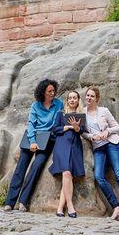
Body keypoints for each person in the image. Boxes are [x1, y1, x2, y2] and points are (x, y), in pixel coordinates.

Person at [3, 78, 62, 212]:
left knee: (36, 167)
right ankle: (10, 202)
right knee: (20, 169)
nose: (52, 93)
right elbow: (31, 124)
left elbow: (57, 122)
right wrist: (33, 141)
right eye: (49, 91)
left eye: (53, 90)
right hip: (33, 138)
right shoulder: (36, 105)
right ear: (43, 92)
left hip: (48, 140)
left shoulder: (58, 104)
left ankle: (23, 201)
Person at [83, 86, 119, 222]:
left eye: (92, 96)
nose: (89, 98)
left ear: (97, 99)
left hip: (112, 144)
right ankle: (116, 207)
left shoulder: (104, 111)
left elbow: (117, 126)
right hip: (98, 147)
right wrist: (91, 136)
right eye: (87, 95)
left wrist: (107, 132)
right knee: (99, 176)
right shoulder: (83, 113)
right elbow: (82, 132)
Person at [50, 90, 85, 218]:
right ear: (67, 100)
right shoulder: (61, 114)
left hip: (75, 146)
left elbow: (82, 130)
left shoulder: (81, 115)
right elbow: (54, 129)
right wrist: (65, 127)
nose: (72, 100)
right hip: (62, 144)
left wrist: (76, 127)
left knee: (69, 176)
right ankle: (70, 206)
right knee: (66, 173)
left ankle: (60, 208)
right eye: (70, 98)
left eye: (74, 98)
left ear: (78, 100)